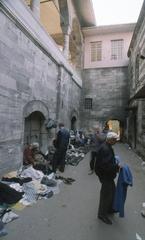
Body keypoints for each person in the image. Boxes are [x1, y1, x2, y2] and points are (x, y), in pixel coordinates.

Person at [94, 132, 120, 225]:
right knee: (106, 195)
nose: (116, 141)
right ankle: (102, 214)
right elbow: (106, 166)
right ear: (110, 139)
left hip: (107, 175)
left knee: (112, 191)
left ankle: (109, 209)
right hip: (105, 175)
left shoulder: (107, 146)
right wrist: (117, 167)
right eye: (114, 140)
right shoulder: (106, 149)